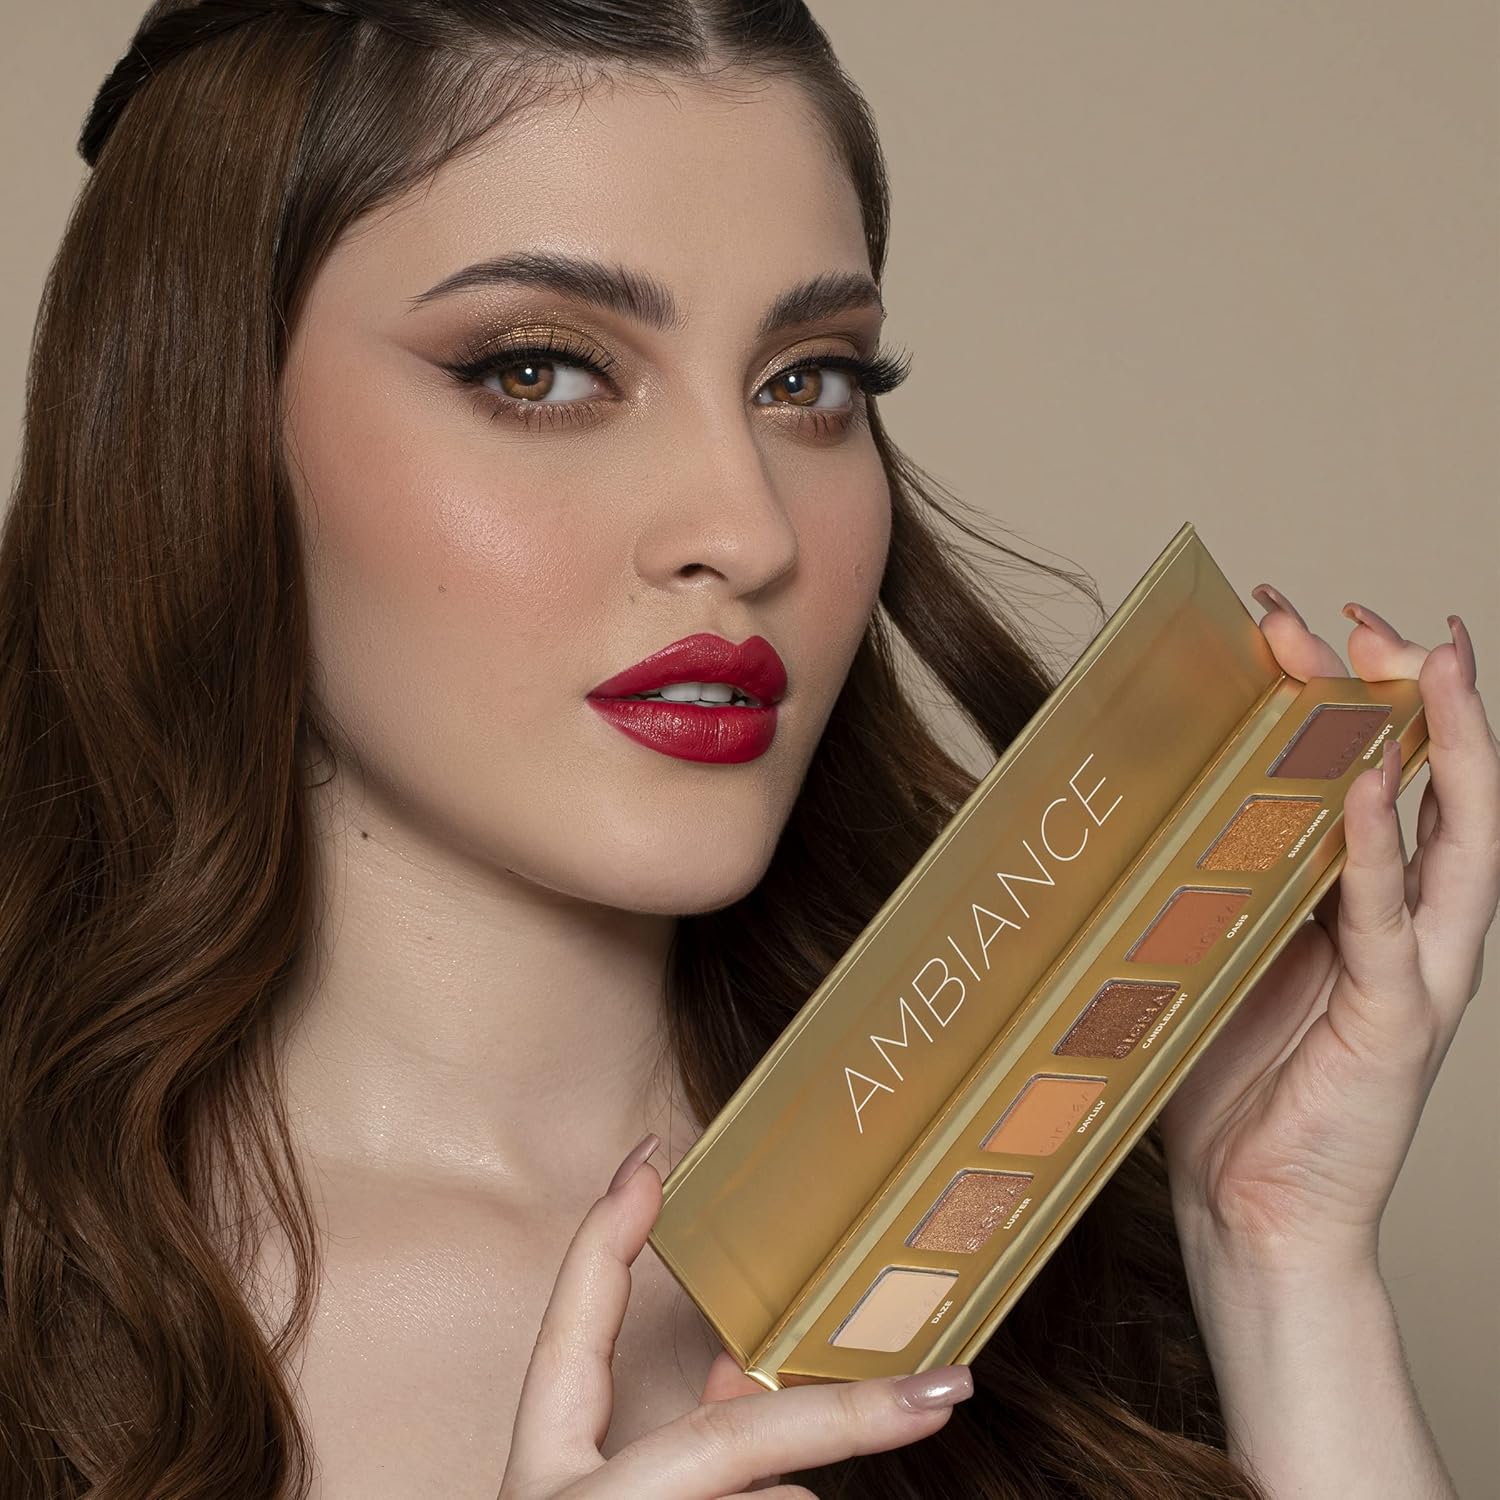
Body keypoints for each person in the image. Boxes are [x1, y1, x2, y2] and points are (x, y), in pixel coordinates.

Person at [1, 3, 1495, 1497]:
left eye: (808, 381)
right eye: (539, 371)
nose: (748, 527)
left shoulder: (1064, 1260)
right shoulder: (39, 1291)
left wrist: (1277, 1255)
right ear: (206, 423)